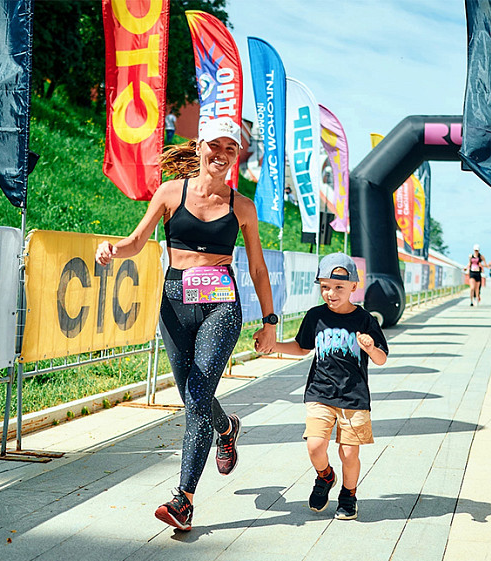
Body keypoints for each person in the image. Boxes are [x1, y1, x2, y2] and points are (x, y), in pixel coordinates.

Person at [96, 117, 278, 532]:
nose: (223, 155)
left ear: (236, 157)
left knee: (197, 396)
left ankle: (184, 500)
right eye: (216, 146)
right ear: (198, 148)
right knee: (191, 395)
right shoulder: (169, 193)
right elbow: (137, 241)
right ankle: (226, 427)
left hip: (221, 306)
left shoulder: (241, 207)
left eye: (231, 149)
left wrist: (269, 322)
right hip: (174, 302)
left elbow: (258, 268)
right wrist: (112, 249)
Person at [265, 253, 389, 520]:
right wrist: (273, 346)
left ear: (354, 287)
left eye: (339, 287)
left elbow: (381, 359)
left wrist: (369, 347)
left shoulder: (366, 320)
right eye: (325, 287)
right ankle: (325, 476)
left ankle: (348, 495)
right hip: (319, 393)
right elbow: (301, 347)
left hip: (354, 398)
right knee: (315, 446)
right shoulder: (315, 316)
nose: (331, 293)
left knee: (349, 453)